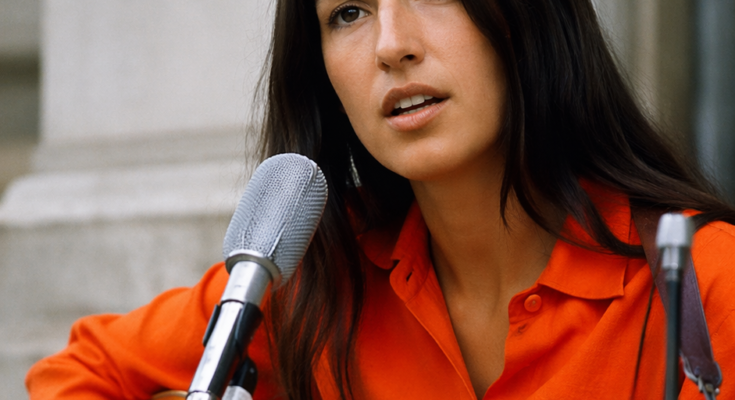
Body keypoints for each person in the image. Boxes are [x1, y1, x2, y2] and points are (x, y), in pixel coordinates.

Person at [25, 0, 735, 399]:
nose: (391, 46)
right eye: (347, 12)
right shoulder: (309, 282)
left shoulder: (702, 285)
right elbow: (76, 374)